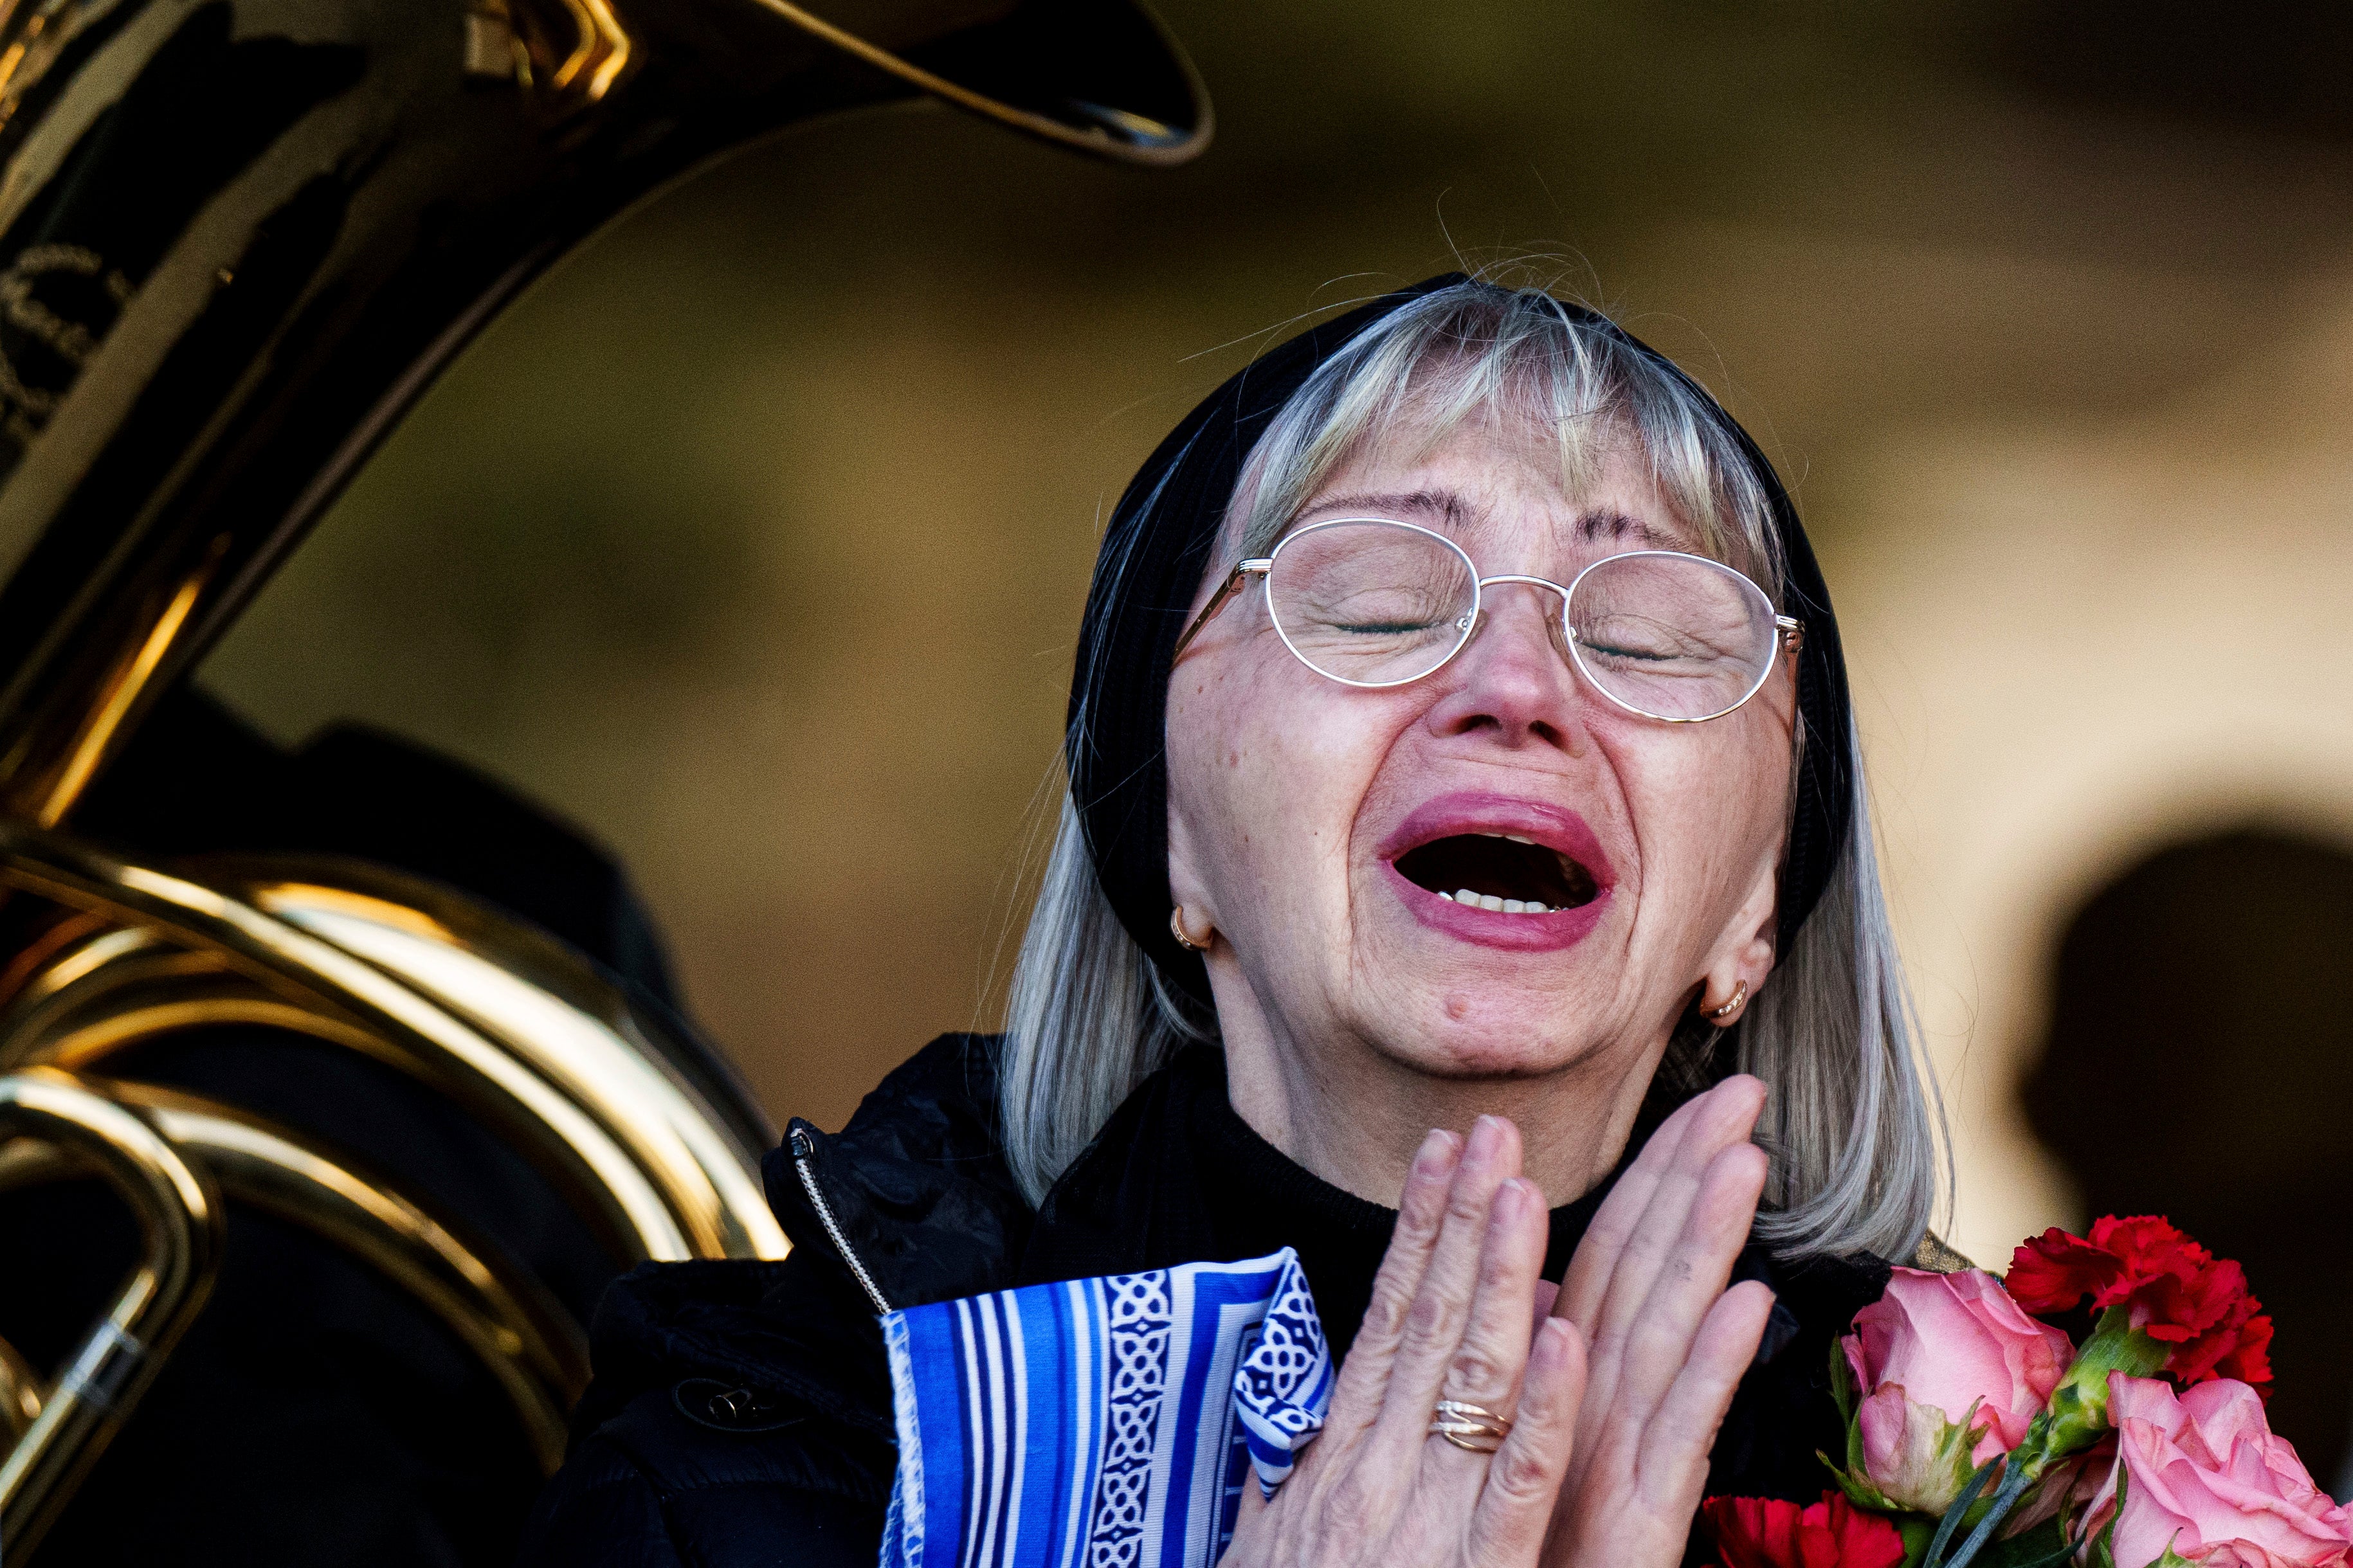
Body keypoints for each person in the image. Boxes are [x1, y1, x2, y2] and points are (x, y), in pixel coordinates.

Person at [516, 272, 1952, 1568]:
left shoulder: (2012, 1483)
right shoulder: (760, 1467)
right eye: (1382, 605)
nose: (1517, 686)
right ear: (1167, 832)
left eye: (1646, 635)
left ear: (1761, 898)